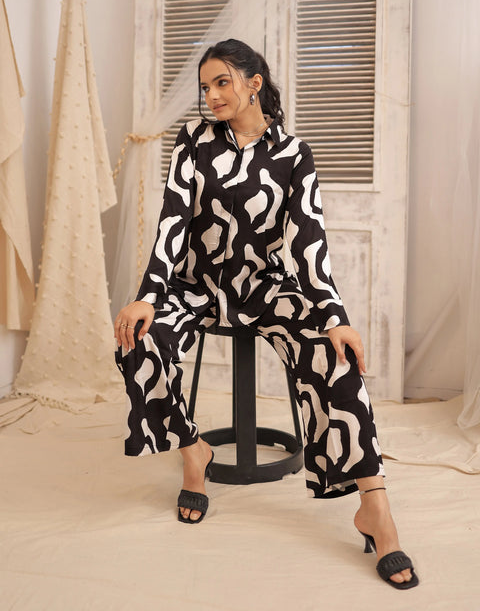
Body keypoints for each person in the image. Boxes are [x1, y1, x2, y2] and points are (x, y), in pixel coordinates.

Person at [114, 38, 419, 589]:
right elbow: (172, 221)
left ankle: (374, 507)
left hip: (265, 288)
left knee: (334, 353)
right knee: (140, 337)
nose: (211, 96)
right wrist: (149, 293)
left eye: (222, 82)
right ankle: (193, 451)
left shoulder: (294, 154)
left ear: (254, 83)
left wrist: (334, 315)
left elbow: (308, 240)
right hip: (195, 285)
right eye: (205, 87)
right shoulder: (194, 141)